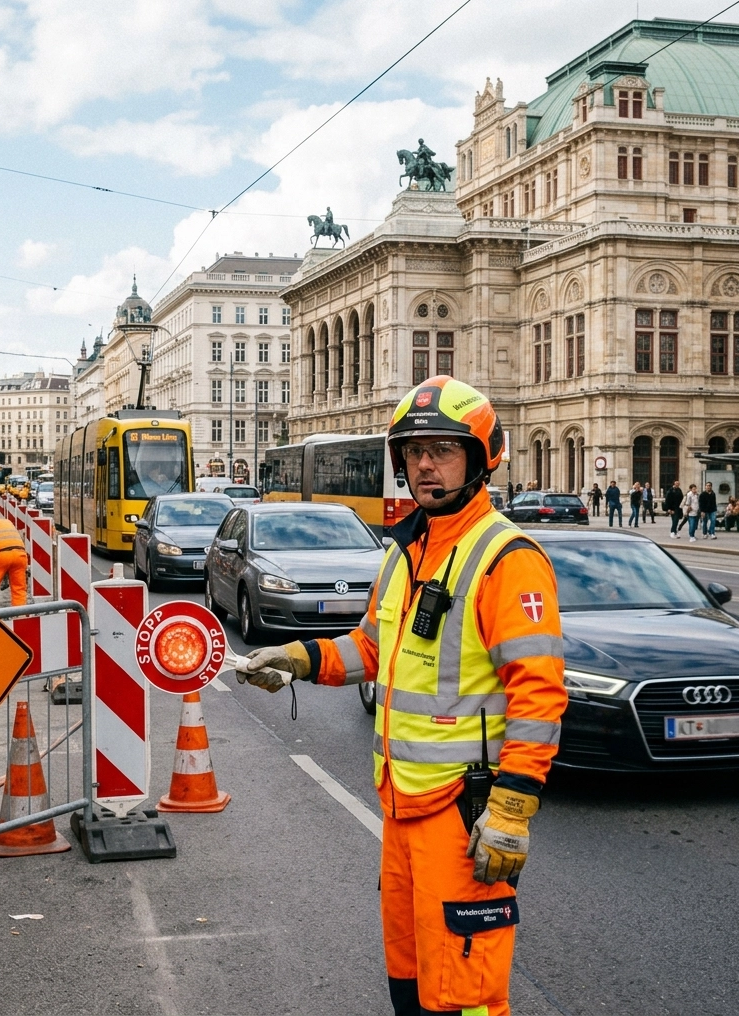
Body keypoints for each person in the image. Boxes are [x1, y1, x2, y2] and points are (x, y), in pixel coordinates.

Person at [239, 376, 567, 1016]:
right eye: (414, 452)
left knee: (465, 995)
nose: (424, 464)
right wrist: (297, 660)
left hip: (464, 816)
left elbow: (539, 696)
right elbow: (372, 649)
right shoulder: (405, 551)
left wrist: (509, 813)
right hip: (401, 805)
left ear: (480, 458)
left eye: (443, 450)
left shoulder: (507, 557)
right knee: (410, 981)